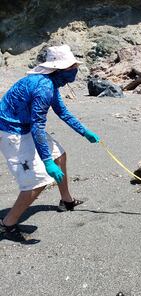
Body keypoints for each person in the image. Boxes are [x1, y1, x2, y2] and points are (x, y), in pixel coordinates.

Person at [0, 45, 100, 243]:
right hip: (11, 132)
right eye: (71, 68)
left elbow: (62, 112)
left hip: (27, 126)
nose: (75, 71)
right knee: (37, 182)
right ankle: (7, 226)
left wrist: (84, 132)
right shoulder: (43, 87)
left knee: (60, 156)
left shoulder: (51, 83)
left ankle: (66, 201)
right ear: (59, 69)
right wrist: (47, 161)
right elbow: (38, 127)